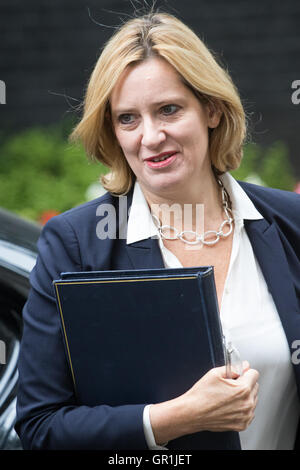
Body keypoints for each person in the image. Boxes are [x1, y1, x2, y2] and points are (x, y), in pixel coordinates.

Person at [15, 11, 300, 450]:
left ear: (212, 109)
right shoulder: (76, 246)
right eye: (127, 118)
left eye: (169, 109)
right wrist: (171, 419)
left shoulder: (290, 223)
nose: (150, 136)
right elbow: (40, 427)